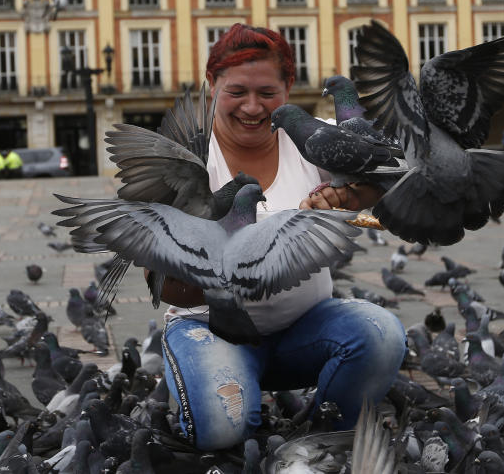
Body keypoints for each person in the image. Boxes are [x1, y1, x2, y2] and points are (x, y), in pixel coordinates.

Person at [156, 23, 406, 451]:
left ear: (288, 88)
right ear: (211, 84)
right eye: (237, 91)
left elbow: (383, 183)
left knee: (381, 333)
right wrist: (233, 260)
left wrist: (344, 196)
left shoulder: (321, 136)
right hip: (211, 328)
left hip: (306, 328)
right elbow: (165, 287)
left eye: (267, 93)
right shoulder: (185, 160)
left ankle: (320, 435)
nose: (253, 107)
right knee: (220, 429)